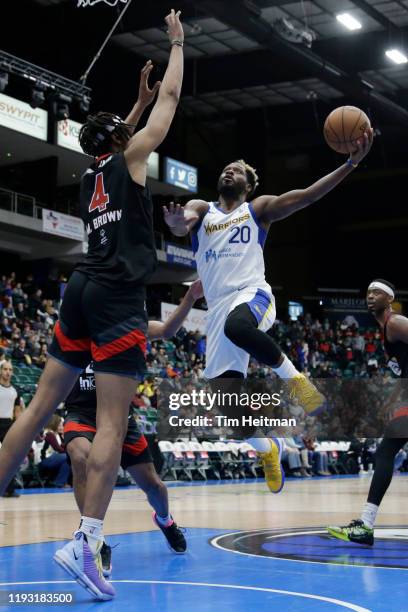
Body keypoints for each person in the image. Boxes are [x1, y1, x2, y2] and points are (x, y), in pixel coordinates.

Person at [0, 9, 184, 602]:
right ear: (123, 141)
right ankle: (85, 541)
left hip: (78, 289)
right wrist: (178, 43)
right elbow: (174, 98)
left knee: (33, 415)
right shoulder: (129, 161)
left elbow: (114, 136)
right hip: (117, 298)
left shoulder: (91, 174)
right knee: (113, 422)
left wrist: (130, 105)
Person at [163, 133, 373, 494]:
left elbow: (308, 197)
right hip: (217, 311)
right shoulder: (204, 209)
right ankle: (269, 449)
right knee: (231, 413)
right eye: (226, 169)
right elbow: (184, 222)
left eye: (238, 171)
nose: (230, 172)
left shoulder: (257, 209)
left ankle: (298, 383)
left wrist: (350, 163)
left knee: (238, 325)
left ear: (249, 184)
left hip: (252, 294)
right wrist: (176, 225)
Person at [64, 280, 203, 575]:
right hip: (83, 414)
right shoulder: (72, 331)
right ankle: (93, 539)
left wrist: (190, 297)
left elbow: (166, 330)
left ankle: (165, 521)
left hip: (118, 418)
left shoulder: (124, 330)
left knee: (155, 486)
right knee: (81, 457)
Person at [327, 279, 408, 545]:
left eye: (377, 292)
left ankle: (366, 525)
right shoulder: (386, 329)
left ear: (390, 299)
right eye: (368, 292)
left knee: (385, 452)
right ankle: (365, 524)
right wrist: (392, 400)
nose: (370, 296)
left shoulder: (395, 323)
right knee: (385, 452)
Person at [0, 361, 24, 497]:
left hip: (8, 425)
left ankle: (9, 489)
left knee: (10, 458)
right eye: (5, 369)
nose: (7, 372)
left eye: (10, 369)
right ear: (0, 371)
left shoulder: (15, 390)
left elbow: (17, 412)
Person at [39, 414, 71, 488]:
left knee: (67, 460)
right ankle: (60, 482)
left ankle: (60, 482)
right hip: (43, 460)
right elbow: (58, 449)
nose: (62, 427)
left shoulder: (56, 434)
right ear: (54, 424)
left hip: (51, 458)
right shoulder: (49, 433)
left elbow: (60, 447)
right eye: (60, 425)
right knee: (67, 456)